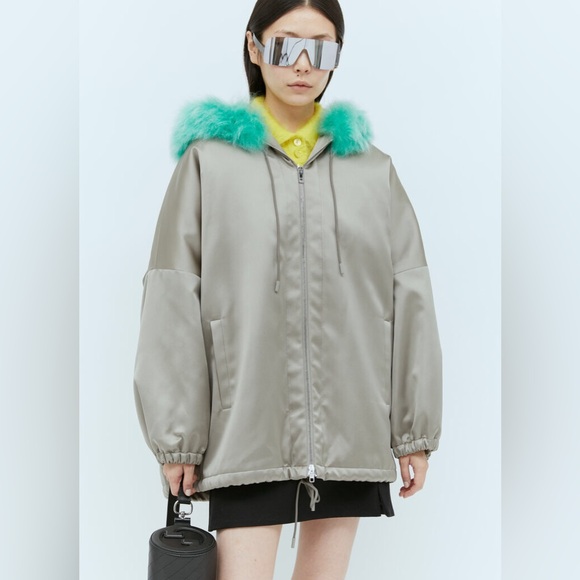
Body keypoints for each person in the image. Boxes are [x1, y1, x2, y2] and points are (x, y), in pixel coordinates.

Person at [133, 0, 443, 578]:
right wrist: (178, 440)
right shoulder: (209, 163)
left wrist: (414, 432)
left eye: (320, 48)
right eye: (285, 44)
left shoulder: (372, 170)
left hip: (350, 430)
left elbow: (411, 298)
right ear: (254, 48)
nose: (302, 63)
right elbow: (172, 300)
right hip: (245, 429)